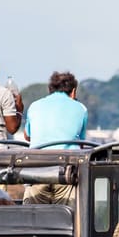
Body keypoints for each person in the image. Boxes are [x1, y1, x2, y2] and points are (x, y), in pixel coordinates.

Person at [23, 71, 88, 204]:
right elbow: (80, 143)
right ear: (74, 91)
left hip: (36, 169)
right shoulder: (81, 108)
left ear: (50, 90)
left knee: (33, 218)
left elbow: (27, 136)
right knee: (69, 218)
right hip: (66, 172)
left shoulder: (34, 106)